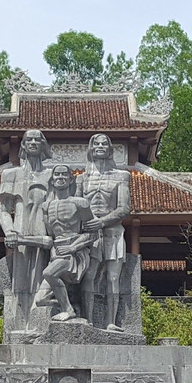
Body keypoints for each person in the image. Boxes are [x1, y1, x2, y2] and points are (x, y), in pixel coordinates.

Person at [13, 165, 100, 322]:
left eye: (64, 175)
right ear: (52, 180)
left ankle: (69, 310)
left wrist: (73, 247)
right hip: (57, 254)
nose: (60, 177)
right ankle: (71, 305)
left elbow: (94, 233)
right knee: (40, 300)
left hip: (75, 253)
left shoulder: (81, 203)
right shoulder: (46, 206)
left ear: (71, 179)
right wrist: (21, 239)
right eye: (57, 175)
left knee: (48, 273)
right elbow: (50, 239)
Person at [0, 130, 52, 330]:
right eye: (29, 139)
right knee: (19, 282)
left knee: (42, 278)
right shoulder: (11, 174)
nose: (33, 142)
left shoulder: (51, 175)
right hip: (19, 230)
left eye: (38, 139)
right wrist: (9, 231)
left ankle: (40, 326)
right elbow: (3, 210)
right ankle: (19, 326)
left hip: (44, 230)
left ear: (43, 144)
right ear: (23, 145)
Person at [77, 133, 131, 331]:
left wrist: (102, 222)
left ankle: (111, 321)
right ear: (91, 149)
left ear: (110, 149)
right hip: (89, 233)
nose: (100, 146)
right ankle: (88, 320)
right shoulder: (82, 179)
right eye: (96, 143)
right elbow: (75, 205)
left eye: (104, 144)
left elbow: (123, 208)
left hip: (113, 231)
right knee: (89, 275)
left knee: (113, 278)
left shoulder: (121, 176)